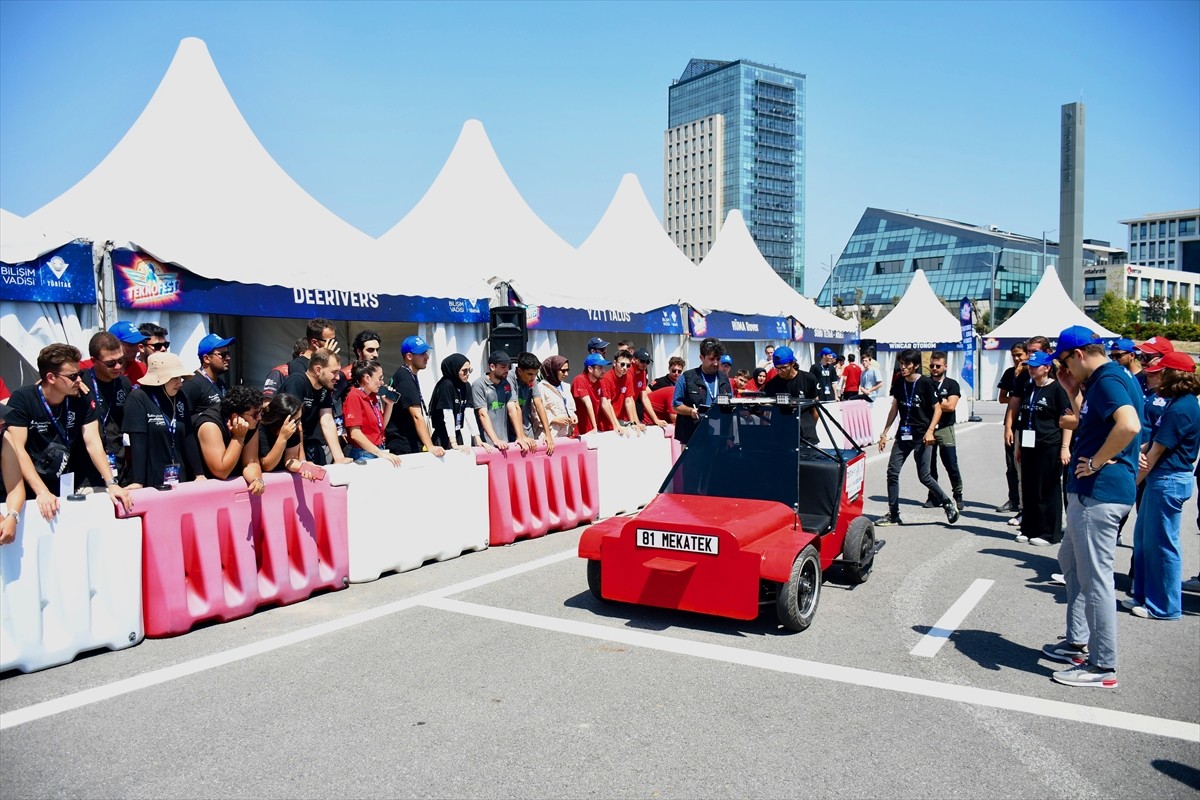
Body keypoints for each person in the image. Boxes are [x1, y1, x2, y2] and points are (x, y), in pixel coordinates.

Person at [1041, 326, 1140, 689]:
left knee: (1096, 579)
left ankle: (1102, 666)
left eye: (1065, 361)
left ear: (1079, 354)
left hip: (1099, 492)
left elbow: (1128, 425)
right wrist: (1071, 390)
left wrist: (1098, 461)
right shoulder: (1105, 380)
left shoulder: (1109, 378)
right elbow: (1097, 421)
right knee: (1071, 564)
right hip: (1094, 492)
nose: (1064, 369)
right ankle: (1077, 643)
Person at [3, 344, 133, 518]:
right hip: (32, 488)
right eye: (73, 376)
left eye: (79, 374)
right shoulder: (23, 399)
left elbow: (93, 442)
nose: (79, 380)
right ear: (51, 377)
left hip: (68, 483)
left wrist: (111, 483)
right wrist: (41, 491)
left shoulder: (81, 397)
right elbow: (17, 449)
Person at [1127, 351, 1198, 621]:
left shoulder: (1183, 407)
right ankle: (1145, 597)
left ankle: (1165, 606)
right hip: (1162, 479)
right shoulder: (1177, 403)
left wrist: (1131, 484)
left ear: (1176, 375)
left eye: (1162, 370)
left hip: (1168, 480)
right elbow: (1150, 444)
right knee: (1145, 541)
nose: (1154, 374)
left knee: (1162, 545)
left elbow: (1155, 452)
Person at [876, 349, 959, 527]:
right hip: (903, 435)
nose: (903, 367)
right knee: (892, 472)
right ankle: (893, 514)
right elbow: (894, 408)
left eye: (907, 364)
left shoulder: (926, 383)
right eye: (901, 363)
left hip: (922, 435)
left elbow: (937, 409)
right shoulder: (898, 383)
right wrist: (885, 433)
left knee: (924, 476)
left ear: (916, 365)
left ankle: (947, 503)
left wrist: (930, 431)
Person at [1012, 351, 1072, 546]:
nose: (1030, 369)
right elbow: (1023, 418)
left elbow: (1067, 421)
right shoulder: (1030, 388)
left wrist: (1065, 447)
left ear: (1047, 368)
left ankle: (1049, 532)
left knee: (1047, 488)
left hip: (1050, 445)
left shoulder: (1057, 389)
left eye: (1035, 366)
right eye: (1029, 365)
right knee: (1029, 488)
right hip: (1029, 445)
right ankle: (1029, 528)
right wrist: (1020, 446)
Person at [122, 352, 195, 489]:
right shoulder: (138, 398)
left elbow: (188, 436)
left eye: (180, 377)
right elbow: (138, 442)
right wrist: (138, 481)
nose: (179, 382)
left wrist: (199, 473)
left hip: (180, 477)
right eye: (174, 378)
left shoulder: (180, 397)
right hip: (151, 479)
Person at [77, 330, 132, 489]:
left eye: (121, 360)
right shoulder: (80, 381)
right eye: (110, 363)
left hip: (118, 467)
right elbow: (44, 384)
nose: (118, 366)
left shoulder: (124, 383)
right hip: (87, 473)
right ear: (94, 360)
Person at [279, 348, 350, 466]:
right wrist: (302, 461)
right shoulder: (297, 381)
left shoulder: (325, 387)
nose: (338, 377)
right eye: (334, 372)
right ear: (318, 370)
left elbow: (327, 420)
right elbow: (295, 423)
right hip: (280, 446)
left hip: (303, 444)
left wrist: (340, 458)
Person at [191, 384, 266, 494]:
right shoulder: (210, 425)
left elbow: (251, 461)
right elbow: (221, 471)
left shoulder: (251, 422)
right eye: (255, 414)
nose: (259, 418)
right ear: (235, 416)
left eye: (260, 412)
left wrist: (256, 480)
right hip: (204, 490)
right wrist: (239, 438)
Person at [384, 335, 444, 457]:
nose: (427, 357)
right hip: (404, 445)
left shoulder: (406, 375)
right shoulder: (405, 378)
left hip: (405, 443)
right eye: (422, 354)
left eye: (426, 353)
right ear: (409, 356)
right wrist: (430, 446)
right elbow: (416, 415)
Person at [340, 359, 402, 465]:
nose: (382, 382)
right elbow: (355, 433)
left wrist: (389, 405)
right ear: (367, 378)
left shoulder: (372, 396)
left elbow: (381, 426)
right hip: (364, 453)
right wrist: (379, 453)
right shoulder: (354, 396)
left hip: (376, 449)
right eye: (380, 378)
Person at [672, 337, 732, 446]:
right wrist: (691, 411)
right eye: (711, 359)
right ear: (701, 357)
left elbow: (730, 405)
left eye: (718, 359)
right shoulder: (687, 377)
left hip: (719, 437)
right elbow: (676, 405)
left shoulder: (724, 378)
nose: (715, 363)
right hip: (692, 437)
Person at [924, 351, 964, 511]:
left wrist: (935, 404)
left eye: (938, 366)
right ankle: (934, 496)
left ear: (945, 366)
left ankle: (958, 494)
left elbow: (951, 406)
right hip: (929, 428)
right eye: (932, 366)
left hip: (945, 428)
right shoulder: (925, 383)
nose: (934, 368)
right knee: (929, 465)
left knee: (950, 463)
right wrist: (942, 403)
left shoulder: (951, 384)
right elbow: (927, 405)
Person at [760, 346, 819, 442]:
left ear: (793, 363)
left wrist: (809, 428)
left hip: (806, 436)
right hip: (781, 436)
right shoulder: (771, 385)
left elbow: (815, 410)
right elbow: (766, 413)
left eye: (783, 368)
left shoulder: (808, 379)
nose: (780, 371)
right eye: (777, 368)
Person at [430, 354, 487, 452]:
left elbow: (469, 413)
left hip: (456, 432)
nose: (468, 374)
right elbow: (447, 414)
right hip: (443, 435)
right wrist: (453, 443)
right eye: (464, 371)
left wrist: (477, 439)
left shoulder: (466, 386)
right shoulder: (446, 385)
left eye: (470, 370)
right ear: (454, 370)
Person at [996, 342, 1028, 513]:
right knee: (1011, 465)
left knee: (1027, 466)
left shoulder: (1032, 372)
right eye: (1014, 355)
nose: (1017, 358)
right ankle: (1013, 499)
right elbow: (1002, 398)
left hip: (1031, 425)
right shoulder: (1010, 373)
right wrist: (1018, 399)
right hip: (1012, 421)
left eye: (1020, 355)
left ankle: (1027, 502)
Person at [182, 333, 235, 422]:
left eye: (228, 353)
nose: (228, 358)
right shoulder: (191, 385)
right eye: (223, 354)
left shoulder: (220, 383)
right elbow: (183, 421)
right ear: (206, 358)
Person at [507, 352, 554, 453]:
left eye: (536, 374)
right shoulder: (509, 378)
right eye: (530, 374)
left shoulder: (533, 381)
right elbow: (515, 407)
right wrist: (521, 436)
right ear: (519, 371)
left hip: (528, 430)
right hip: (510, 432)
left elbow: (539, 405)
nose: (533, 377)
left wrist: (548, 434)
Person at [473, 350, 516, 448]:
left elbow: (513, 409)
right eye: (503, 367)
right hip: (486, 445)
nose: (507, 370)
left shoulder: (506, 383)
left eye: (508, 367)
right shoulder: (479, 385)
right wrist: (495, 440)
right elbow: (482, 414)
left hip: (504, 442)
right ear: (492, 367)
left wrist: (520, 436)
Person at [537, 355, 577, 440]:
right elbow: (536, 414)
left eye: (567, 370)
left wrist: (573, 416)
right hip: (550, 436)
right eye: (563, 371)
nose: (566, 374)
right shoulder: (541, 388)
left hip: (567, 435)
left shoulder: (565, 387)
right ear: (553, 371)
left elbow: (570, 407)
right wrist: (554, 419)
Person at [600, 351, 642, 433]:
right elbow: (607, 404)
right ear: (615, 363)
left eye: (628, 365)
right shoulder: (606, 378)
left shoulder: (628, 376)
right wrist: (616, 425)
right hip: (606, 421)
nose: (625, 368)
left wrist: (634, 422)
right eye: (622, 364)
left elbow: (629, 400)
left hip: (620, 419)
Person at [572, 353, 613, 435]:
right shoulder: (579, 379)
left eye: (603, 367)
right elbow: (588, 403)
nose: (604, 371)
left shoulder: (600, 381)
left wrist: (616, 425)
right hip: (578, 431)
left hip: (592, 431)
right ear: (590, 369)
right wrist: (595, 427)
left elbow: (605, 403)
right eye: (600, 368)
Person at [632, 348, 665, 427]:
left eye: (647, 362)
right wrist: (636, 422)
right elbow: (629, 399)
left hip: (633, 408)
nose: (645, 364)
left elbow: (644, 398)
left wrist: (655, 419)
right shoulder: (629, 372)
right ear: (634, 359)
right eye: (642, 361)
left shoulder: (642, 372)